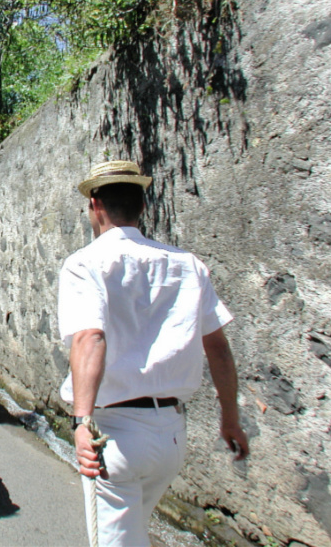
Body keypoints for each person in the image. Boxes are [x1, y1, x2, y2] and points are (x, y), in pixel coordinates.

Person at [58, 160, 250, 547]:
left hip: (116, 434)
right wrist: (230, 417)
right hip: (171, 439)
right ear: (143, 207)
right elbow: (218, 348)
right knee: (135, 532)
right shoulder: (188, 265)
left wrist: (81, 421)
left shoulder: (85, 263)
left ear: (94, 204)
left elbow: (90, 338)